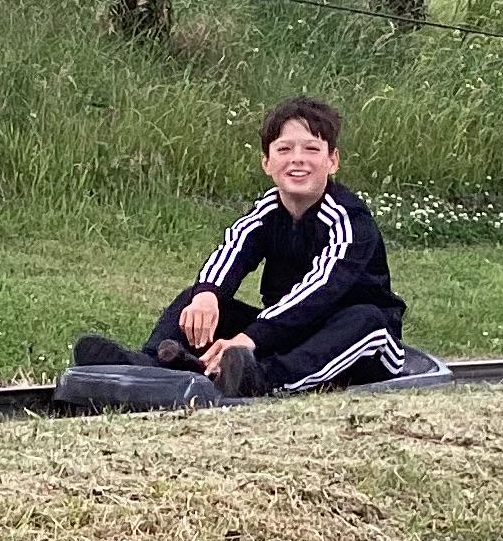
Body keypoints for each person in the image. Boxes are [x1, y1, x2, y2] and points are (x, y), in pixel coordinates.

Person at [74, 97, 412, 396]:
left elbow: (321, 290)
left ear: (332, 161)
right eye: (284, 150)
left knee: (364, 319)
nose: (298, 160)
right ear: (267, 162)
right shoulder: (268, 210)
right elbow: (233, 251)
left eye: (311, 149)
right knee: (198, 297)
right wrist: (208, 294)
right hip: (287, 334)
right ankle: (149, 364)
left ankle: (261, 379)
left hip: (361, 345)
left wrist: (251, 338)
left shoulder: (349, 219)